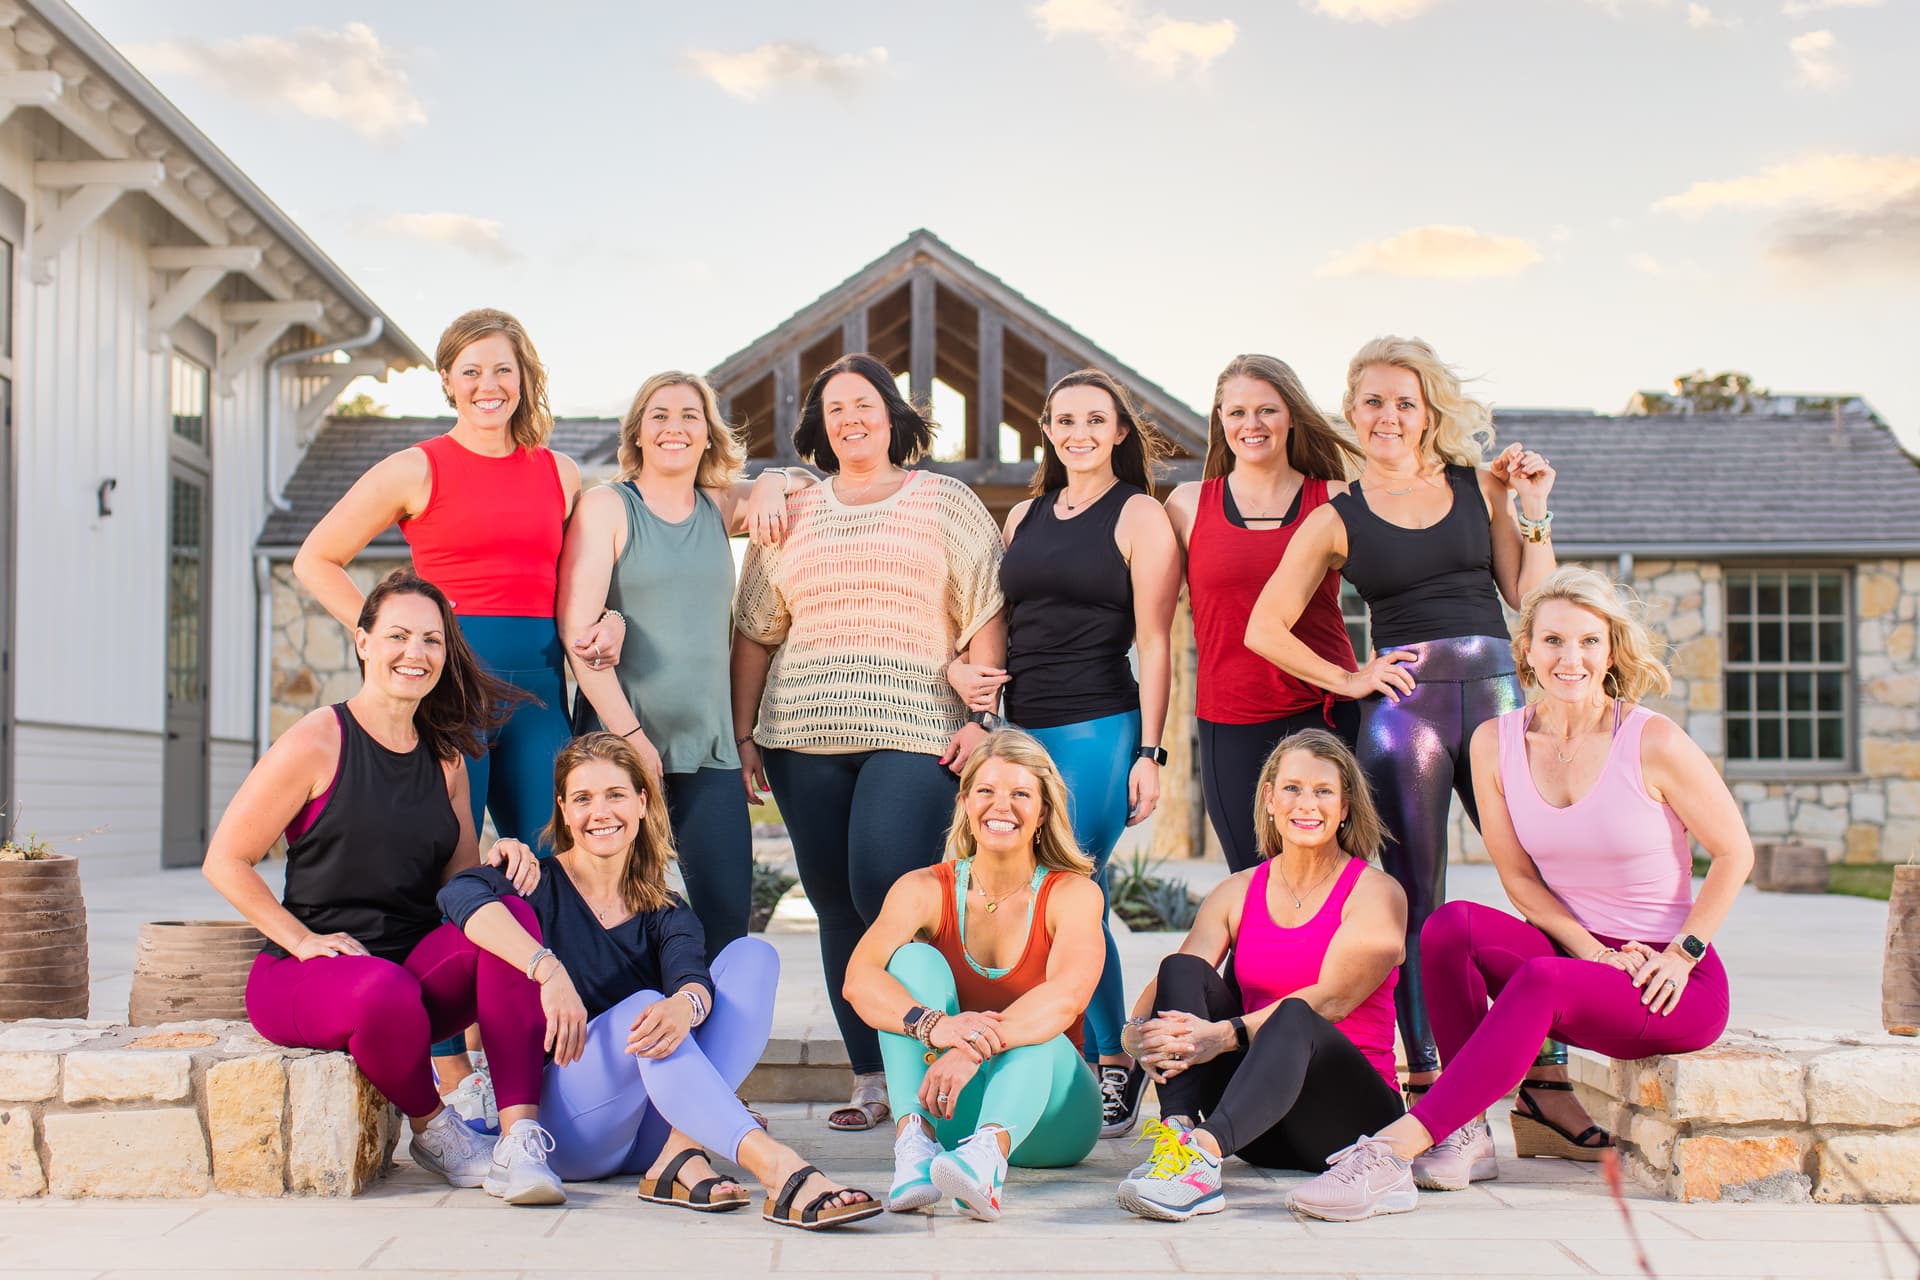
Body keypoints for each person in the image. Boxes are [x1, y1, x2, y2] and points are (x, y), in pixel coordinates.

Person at [1285, 568, 1752, 1222]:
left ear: (1611, 650)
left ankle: (1393, 1152)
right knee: (1450, 926)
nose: (1571, 658)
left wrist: (1683, 953)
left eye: (1589, 641)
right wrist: (1592, 952)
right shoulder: (1496, 742)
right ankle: (1468, 1134)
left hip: (1668, 984)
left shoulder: (1652, 740)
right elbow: (1521, 881)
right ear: (1525, 648)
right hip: (1580, 959)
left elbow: (1735, 852)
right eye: (1554, 640)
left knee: (1540, 980)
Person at [293, 307, 622, 1105]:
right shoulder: (415, 468)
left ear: (524, 377)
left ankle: (564, 1047)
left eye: (502, 368)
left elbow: (583, 583)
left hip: (539, 694)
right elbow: (316, 558)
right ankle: (451, 1069)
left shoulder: (560, 474)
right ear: (446, 381)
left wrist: (608, 617)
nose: (488, 384)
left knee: (561, 861)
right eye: (470, 370)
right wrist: (393, 638)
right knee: (449, 872)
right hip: (450, 701)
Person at [1246, 335, 1559, 1106]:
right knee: (1416, 896)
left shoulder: (1477, 486)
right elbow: (1265, 627)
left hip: (1498, 701)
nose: (1388, 415)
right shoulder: (1336, 517)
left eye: (1404, 402)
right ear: (1352, 412)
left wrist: (1533, 511)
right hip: (1405, 715)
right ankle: (1426, 1075)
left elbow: (1530, 599)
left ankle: (1547, 1071)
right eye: (1374, 401)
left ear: (1428, 413)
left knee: (1536, 871)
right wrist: (1351, 677)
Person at [204, 571, 561, 1201]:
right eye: (398, 635)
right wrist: (302, 941)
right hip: (307, 976)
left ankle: (518, 1140)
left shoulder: (447, 756)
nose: (415, 653)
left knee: (510, 919)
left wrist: (498, 863)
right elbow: (226, 859)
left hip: (413, 978)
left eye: (431, 640)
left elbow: (459, 886)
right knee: (382, 989)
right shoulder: (318, 739)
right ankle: (435, 1129)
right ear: (363, 641)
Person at [438, 732, 880, 1230]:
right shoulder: (533, 880)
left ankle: (680, 1153)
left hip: (653, 1128)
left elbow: (692, 974)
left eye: (615, 795)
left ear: (642, 803)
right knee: (642, 1006)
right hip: (570, 1129)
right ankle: (777, 1166)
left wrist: (685, 1006)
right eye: (582, 798)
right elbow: (458, 895)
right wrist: (548, 969)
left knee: (753, 956)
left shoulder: (664, 908)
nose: (600, 812)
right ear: (563, 809)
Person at [732, 352, 1007, 1132]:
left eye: (865, 404)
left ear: (893, 416)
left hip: (917, 728)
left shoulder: (946, 501)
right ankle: (871, 1079)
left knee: (889, 889)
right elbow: (756, 631)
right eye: (835, 408)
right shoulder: (792, 508)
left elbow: (985, 611)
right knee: (833, 903)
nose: (851, 419)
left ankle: (931, 1062)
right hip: (801, 733)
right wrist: (744, 733)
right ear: (820, 427)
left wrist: (982, 721)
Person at [974, 368, 1179, 1139]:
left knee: (1072, 890)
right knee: (1032, 895)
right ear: (1047, 430)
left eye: (1095, 419)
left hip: (1100, 728)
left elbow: (1156, 642)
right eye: (1064, 419)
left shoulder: (1139, 515)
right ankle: (1071, 1060)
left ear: (1120, 431)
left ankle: (1115, 1061)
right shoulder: (1023, 515)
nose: (1079, 432)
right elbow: (1000, 620)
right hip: (1022, 733)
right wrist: (982, 708)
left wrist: (1150, 752)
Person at [1113, 730, 1406, 1221]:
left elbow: (1332, 1001)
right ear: (1269, 799)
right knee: (1182, 968)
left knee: (1297, 1012)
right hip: (1256, 1125)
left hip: (1348, 1126)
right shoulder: (1238, 891)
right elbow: (1176, 983)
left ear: (1345, 807)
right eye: (1292, 788)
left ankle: (1202, 1155)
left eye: (1323, 791)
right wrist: (1138, 1037)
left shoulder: (1376, 892)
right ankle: (1178, 1140)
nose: (1306, 803)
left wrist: (1222, 1036)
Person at [558, 370, 800, 955]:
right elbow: (578, 637)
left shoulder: (719, 505)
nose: (675, 427)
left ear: (708, 433)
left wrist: (772, 479)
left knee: (727, 922)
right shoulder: (608, 506)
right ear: (638, 433)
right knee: (609, 920)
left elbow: (808, 484)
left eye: (690, 415)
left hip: (709, 749)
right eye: (659, 415)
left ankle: (707, 1018)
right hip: (617, 749)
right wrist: (632, 739)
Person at [842, 729, 1105, 1222]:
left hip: (1054, 1117)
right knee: (910, 964)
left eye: (1020, 794)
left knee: (1039, 1022)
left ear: (1043, 812)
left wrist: (970, 1047)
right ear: (964, 802)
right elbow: (858, 979)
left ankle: (988, 1158)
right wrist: (936, 1026)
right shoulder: (922, 888)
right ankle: (915, 1147)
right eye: (986, 790)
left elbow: (1068, 997)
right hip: (950, 1106)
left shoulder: (1073, 894)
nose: (1001, 806)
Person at [1164, 355, 1365, 873]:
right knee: (1252, 879)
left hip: (1327, 710)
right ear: (1220, 420)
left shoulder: (1336, 499)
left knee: (1335, 876)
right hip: (1230, 719)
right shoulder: (1187, 506)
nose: (1251, 424)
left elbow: (1401, 587)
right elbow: (1147, 621)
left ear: (1292, 416)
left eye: (1267, 410)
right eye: (1237, 412)